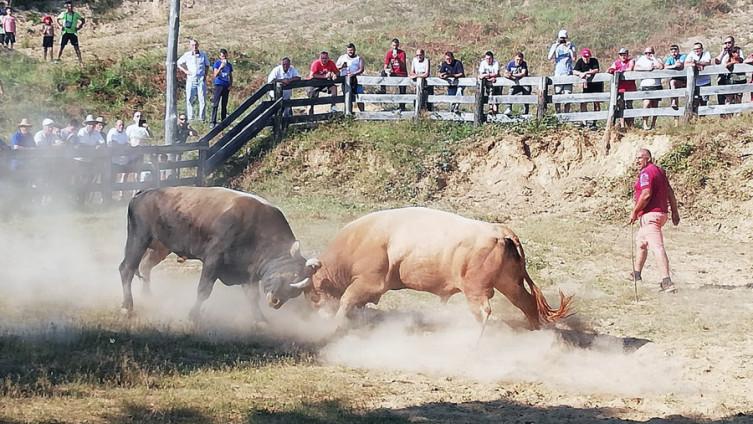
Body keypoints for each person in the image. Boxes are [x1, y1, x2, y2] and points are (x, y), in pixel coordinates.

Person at [630, 148, 680, 294]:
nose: (637, 161)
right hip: (660, 214)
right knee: (641, 243)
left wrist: (634, 212)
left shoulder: (646, 173)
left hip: (650, 215)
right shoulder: (660, 171)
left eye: (640, 158)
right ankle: (636, 274)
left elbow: (646, 194)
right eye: (636, 158)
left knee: (657, 247)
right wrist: (675, 212)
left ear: (648, 158)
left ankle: (666, 281)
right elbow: (670, 192)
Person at [177, 38, 210, 121]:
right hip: (191, 79)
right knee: (189, 99)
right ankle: (190, 118)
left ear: (198, 45)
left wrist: (205, 75)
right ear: (190, 46)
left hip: (201, 79)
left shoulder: (203, 54)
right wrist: (185, 71)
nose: (194, 46)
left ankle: (202, 118)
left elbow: (207, 65)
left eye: (195, 45)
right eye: (192, 45)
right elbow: (179, 63)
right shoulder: (187, 55)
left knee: (202, 99)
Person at [634, 47, 664, 130]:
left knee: (655, 105)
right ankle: (645, 123)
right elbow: (636, 68)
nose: (648, 54)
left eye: (650, 52)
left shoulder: (657, 59)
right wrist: (647, 69)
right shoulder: (642, 59)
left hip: (656, 85)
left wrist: (654, 59)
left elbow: (661, 66)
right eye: (646, 53)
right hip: (646, 85)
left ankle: (653, 124)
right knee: (646, 103)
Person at [547, 29, 576, 113]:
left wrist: (569, 48)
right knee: (557, 94)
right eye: (561, 38)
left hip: (568, 73)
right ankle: (558, 113)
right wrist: (556, 45)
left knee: (568, 95)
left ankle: (566, 114)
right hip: (558, 73)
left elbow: (574, 58)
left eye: (564, 38)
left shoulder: (571, 46)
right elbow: (549, 57)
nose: (563, 40)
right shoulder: (555, 46)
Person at [573, 48, 601, 128]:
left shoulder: (594, 61)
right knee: (583, 102)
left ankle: (594, 122)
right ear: (582, 56)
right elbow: (574, 71)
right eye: (585, 57)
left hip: (596, 85)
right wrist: (580, 74)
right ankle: (584, 121)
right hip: (587, 86)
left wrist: (587, 72)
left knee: (596, 103)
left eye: (588, 57)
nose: (586, 58)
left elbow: (596, 70)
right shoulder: (580, 61)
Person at [607, 48, 636, 128]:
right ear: (619, 56)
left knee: (629, 105)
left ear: (627, 55)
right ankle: (623, 125)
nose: (623, 56)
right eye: (621, 55)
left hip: (629, 88)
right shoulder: (616, 62)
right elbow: (610, 69)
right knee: (621, 106)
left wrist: (619, 70)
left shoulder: (631, 61)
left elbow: (630, 69)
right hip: (620, 88)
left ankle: (631, 125)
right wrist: (612, 70)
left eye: (625, 54)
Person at [714, 36, 744, 106]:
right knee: (723, 99)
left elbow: (741, 60)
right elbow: (717, 61)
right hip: (723, 78)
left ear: (733, 43)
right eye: (725, 43)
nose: (727, 44)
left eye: (729, 42)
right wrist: (722, 52)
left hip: (735, 77)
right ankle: (725, 115)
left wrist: (732, 62)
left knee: (737, 98)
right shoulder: (724, 52)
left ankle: (736, 115)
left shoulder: (737, 50)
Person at [307, 51, 339, 115]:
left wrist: (335, 75)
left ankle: (333, 107)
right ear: (320, 58)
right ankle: (310, 117)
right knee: (311, 101)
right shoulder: (316, 63)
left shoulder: (331, 63)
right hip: (314, 83)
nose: (324, 60)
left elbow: (337, 72)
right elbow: (312, 75)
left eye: (325, 58)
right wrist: (324, 76)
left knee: (334, 88)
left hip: (325, 83)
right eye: (322, 58)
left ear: (328, 58)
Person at [336, 43, 365, 112]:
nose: (350, 52)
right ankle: (349, 113)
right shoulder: (342, 57)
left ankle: (363, 113)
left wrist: (353, 74)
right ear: (346, 51)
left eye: (351, 50)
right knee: (347, 97)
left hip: (356, 80)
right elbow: (335, 68)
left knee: (359, 97)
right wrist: (342, 66)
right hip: (345, 81)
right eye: (349, 50)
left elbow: (361, 69)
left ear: (354, 50)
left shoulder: (359, 58)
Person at [379, 38, 408, 109]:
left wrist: (397, 58)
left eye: (396, 46)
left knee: (402, 91)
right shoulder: (389, 53)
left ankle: (402, 107)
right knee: (383, 72)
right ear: (391, 45)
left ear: (398, 45)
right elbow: (385, 65)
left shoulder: (402, 53)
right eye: (393, 45)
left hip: (401, 73)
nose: (395, 47)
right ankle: (383, 90)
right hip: (394, 72)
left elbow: (403, 65)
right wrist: (386, 70)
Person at [502, 52, 530, 116]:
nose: (519, 61)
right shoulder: (510, 64)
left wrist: (513, 75)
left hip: (525, 84)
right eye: (517, 59)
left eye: (520, 60)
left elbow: (523, 73)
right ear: (515, 58)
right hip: (516, 84)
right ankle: (508, 109)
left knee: (526, 96)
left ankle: (525, 112)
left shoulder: (523, 64)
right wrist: (508, 75)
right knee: (510, 92)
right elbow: (505, 73)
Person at [210, 48, 233, 127]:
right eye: (222, 56)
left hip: (226, 85)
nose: (224, 58)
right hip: (218, 85)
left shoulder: (229, 65)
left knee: (224, 104)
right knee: (215, 104)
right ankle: (213, 121)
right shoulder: (217, 63)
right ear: (220, 56)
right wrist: (221, 67)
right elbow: (215, 75)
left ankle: (224, 121)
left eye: (225, 56)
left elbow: (230, 75)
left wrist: (230, 84)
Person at [684, 42, 711, 107]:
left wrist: (696, 62)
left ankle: (703, 116)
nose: (696, 50)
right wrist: (696, 64)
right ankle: (695, 116)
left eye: (698, 48)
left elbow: (708, 62)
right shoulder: (691, 54)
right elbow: (685, 63)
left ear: (702, 49)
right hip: (695, 83)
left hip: (705, 81)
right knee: (695, 101)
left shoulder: (706, 54)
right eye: (695, 49)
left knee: (704, 101)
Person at [664, 45, 686, 110]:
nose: (674, 53)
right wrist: (674, 66)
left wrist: (672, 66)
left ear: (678, 51)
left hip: (685, 78)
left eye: (675, 51)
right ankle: (674, 102)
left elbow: (680, 65)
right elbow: (665, 66)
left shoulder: (682, 56)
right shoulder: (670, 58)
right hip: (676, 78)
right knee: (672, 83)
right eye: (672, 51)